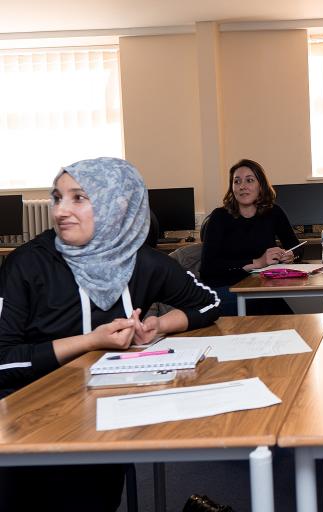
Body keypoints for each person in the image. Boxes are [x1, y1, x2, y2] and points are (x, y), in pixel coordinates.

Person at [0, 157, 221, 511]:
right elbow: (3, 360)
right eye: (58, 197)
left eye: (79, 198)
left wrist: (158, 325)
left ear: (117, 204)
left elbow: (209, 304)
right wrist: (90, 342)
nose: (61, 210)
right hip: (28, 418)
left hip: (105, 413)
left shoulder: (141, 261)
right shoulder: (27, 263)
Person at [200, 158, 301, 315]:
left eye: (249, 180)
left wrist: (290, 255)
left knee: (270, 302)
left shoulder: (273, 212)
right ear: (232, 187)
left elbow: (298, 249)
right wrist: (257, 263)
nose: (242, 186)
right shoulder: (219, 217)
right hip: (224, 290)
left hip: (260, 287)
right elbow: (208, 268)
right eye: (237, 181)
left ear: (260, 186)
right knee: (270, 304)